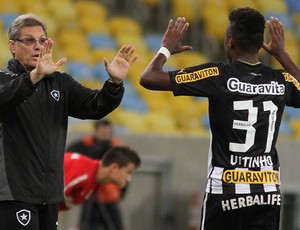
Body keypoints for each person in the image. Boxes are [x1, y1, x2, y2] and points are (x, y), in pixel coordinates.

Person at [140, 8, 300, 230]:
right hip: (267, 192)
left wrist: (166, 49)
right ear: (261, 43)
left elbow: (149, 78)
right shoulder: (280, 80)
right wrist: (282, 55)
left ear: (230, 41)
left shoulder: (217, 75)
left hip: (225, 191)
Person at [0, 13, 137, 230]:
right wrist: (34, 77)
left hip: (50, 195)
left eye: (42, 41)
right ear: (12, 46)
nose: (38, 46)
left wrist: (114, 83)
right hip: (14, 193)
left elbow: (95, 106)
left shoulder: (60, 82)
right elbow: (5, 99)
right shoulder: (3, 79)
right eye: (29, 40)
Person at [67, 119, 125, 230]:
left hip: (109, 194)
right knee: (87, 225)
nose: (104, 135)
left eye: (107, 132)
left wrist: (121, 191)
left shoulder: (116, 148)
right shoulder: (84, 145)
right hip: (91, 194)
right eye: (102, 131)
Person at [60, 146, 141, 211]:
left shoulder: (94, 183)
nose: (129, 179)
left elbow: (57, 208)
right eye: (128, 172)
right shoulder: (81, 172)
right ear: (114, 168)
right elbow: (49, 200)